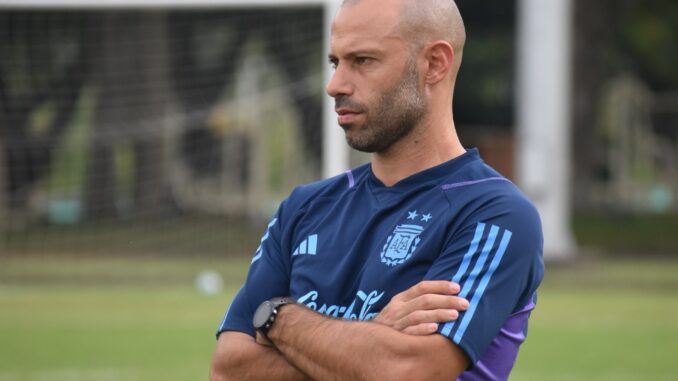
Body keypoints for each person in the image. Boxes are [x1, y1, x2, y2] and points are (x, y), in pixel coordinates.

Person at [210, 0, 544, 379]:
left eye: (363, 61)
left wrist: (277, 318)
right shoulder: (303, 208)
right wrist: (373, 337)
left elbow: (403, 370)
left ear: (434, 63)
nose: (335, 85)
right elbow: (229, 369)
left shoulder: (494, 213)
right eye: (336, 62)